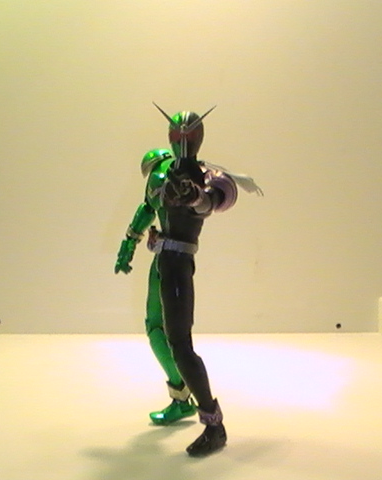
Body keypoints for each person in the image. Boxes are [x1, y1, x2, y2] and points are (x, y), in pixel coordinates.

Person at [115, 105, 261, 456]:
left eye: (189, 134)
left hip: (178, 263)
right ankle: (180, 397)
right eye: (177, 134)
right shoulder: (160, 172)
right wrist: (128, 244)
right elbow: (147, 207)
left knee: (180, 345)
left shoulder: (207, 176)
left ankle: (214, 425)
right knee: (155, 329)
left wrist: (195, 197)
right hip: (162, 260)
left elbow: (214, 200)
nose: (182, 139)